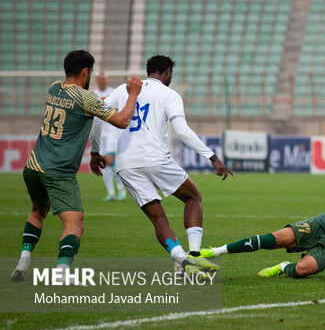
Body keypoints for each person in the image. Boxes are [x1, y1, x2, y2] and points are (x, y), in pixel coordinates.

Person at [91, 55, 234, 278]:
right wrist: (212, 157)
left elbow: (97, 116)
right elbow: (183, 130)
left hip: (126, 164)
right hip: (156, 158)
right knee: (193, 197)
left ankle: (181, 259)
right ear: (167, 72)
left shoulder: (122, 90)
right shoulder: (169, 94)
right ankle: (194, 255)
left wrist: (94, 151)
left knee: (158, 219)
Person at [10, 50, 142, 282]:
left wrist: (94, 150)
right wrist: (133, 94)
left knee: (38, 211)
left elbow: (84, 112)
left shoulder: (53, 88)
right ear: (85, 71)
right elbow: (122, 120)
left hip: (33, 166)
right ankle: (62, 272)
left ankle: (23, 261)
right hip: (58, 171)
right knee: (75, 225)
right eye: (90, 71)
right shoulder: (86, 98)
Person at [92, 72, 127, 201]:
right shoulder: (93, 94)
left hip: (112, 131)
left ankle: (121, 188)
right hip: (100, 133)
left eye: (103, 79)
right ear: (96, 81)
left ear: (107, 80)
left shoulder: (113, 92)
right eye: (99, 79)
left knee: (111, 161)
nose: (101, 81)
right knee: (103, 163)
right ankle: (111, 192)